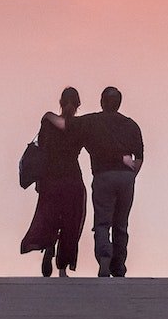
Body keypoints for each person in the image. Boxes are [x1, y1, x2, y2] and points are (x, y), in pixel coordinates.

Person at [45, 86, 142, 277]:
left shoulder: (92, 122)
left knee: (103, 222)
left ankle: (105, 260)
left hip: (103, 176)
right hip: (125, 176)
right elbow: (139, 156)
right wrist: (131, 175)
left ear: (102, 102)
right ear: (119, 103)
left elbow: (66, 125)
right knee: (121, 224)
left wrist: (49, 116)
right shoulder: (131, 125)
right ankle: (119, 266)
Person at [20, 87, 87, 277]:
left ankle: (49, 246)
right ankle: (63, 268)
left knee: (49, 216)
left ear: (60, 102)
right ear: (78, 105)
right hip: (72, 178)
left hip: (51, 178)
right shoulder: (80, 126)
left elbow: (42, 151)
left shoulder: (48, 123)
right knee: (70, 221)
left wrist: (39, 181)